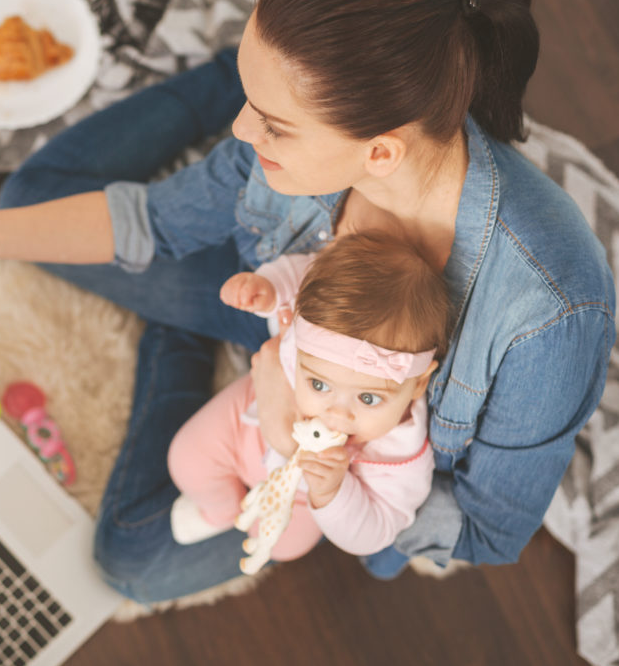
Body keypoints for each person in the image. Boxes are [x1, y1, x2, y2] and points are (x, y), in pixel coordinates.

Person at [0, 0, 615, 602]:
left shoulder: (550, 310)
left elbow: (485, 529)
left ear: (379, 151)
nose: (243, 134)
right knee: (27, 192)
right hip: (261, 302)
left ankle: (178, 328)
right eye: (249, 102)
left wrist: (315, 447)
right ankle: (232, 66)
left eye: (271, 121)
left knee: (132, 558)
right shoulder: (290, 155)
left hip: (324, 429)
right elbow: (153, 219)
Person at [167, 231, 447, 566]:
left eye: (369, 399)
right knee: (185, 458)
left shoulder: (401, 456)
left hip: (301, 496)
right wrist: (269, 289)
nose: (337, 414)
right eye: (319, 385)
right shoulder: (311, 322)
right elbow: (305, 275)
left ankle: (255, 520)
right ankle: (220, 511)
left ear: (417, 385)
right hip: (251, 420)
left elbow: (378, 531)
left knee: (285, 547)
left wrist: (332, 491)